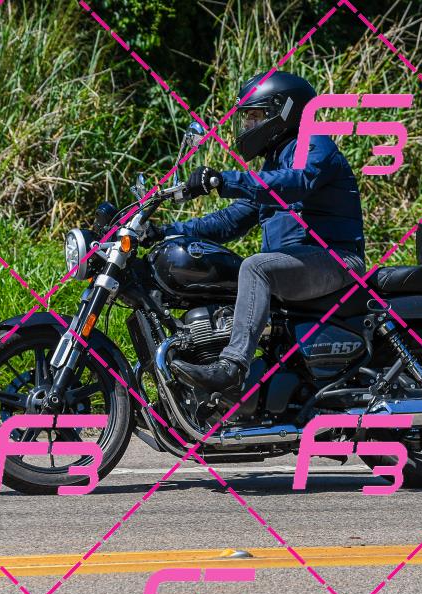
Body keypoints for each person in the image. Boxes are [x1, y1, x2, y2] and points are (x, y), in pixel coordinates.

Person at [147, 71, 366, 393]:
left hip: (337, 260)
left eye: (255, 115)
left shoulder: (313, 143)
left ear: (284, 110)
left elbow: (297, 182)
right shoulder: (273, 164)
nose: (248, 125)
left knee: (256, 266)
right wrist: (166, 231)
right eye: (247, 117)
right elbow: (230, 221)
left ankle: (232, 368)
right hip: (299, 264)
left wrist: (224, 180)